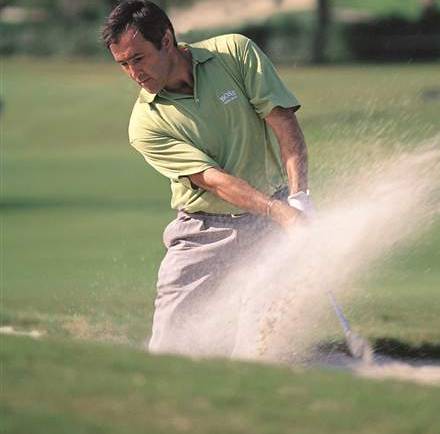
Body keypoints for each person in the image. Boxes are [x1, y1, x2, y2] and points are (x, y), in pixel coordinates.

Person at [101, 1, 314, 354]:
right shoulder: (145, 124)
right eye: (123, 64)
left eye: (138, 58)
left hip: (271, 219)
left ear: (166, 40)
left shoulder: (234, 53)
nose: (133, 73)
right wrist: (283, 213)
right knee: (169, 348)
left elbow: (283, 122)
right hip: (204, 232)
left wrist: (300, 197)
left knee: (259, 346)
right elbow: (215, 180)